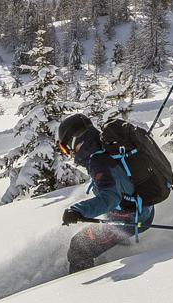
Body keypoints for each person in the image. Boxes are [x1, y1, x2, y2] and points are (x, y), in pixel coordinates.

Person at [56, 113, 146, 273]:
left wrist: (78, 211)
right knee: (86, 241)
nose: (68, 153)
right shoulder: (105, 149)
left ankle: (85, 292)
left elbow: (110, 197)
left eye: (65, 147)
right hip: (137, 211)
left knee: (79, 247)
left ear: (75, 140)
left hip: (129, 220)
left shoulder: (99, 161)